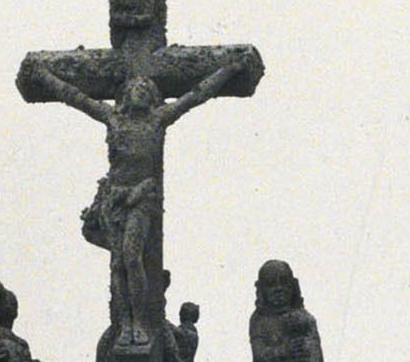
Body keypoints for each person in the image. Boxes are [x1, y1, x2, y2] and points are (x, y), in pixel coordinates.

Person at [21, 53, 254, 347]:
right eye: (135, 89)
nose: (139, 92)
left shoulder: (158, 120)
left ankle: (140, 321)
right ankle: (126, 323)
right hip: (114, 199)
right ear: (125, 96)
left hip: (141, 197)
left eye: (145, 89)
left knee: (132, 257)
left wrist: (228, 69)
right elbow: (76, 97)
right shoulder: (113, 119)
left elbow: (196, 95)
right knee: (119, 263)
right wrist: (43, 77)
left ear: (153, 96)